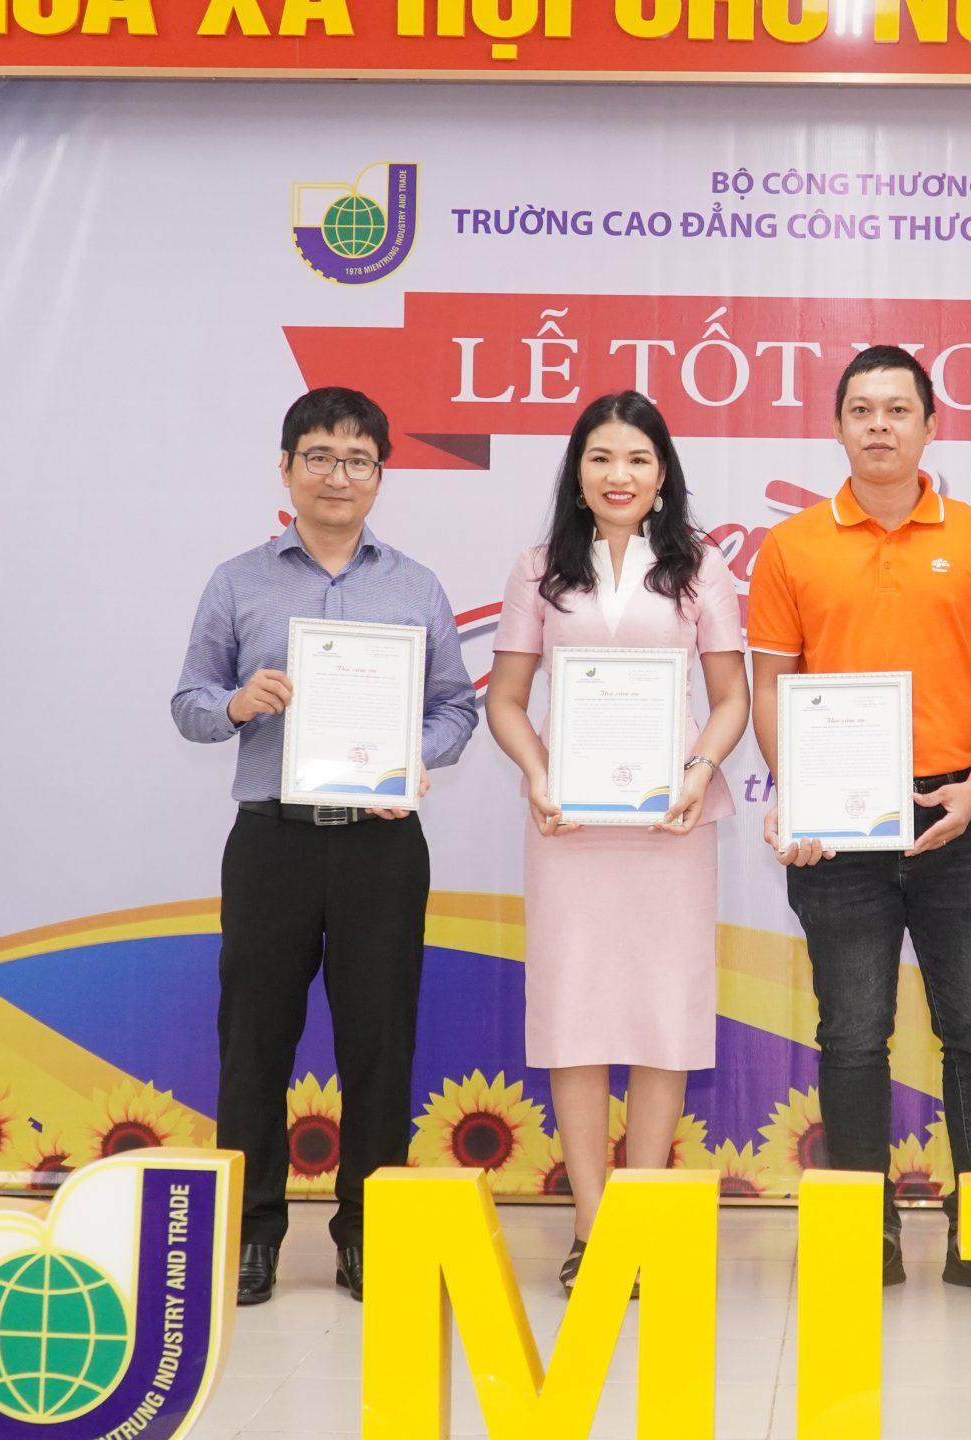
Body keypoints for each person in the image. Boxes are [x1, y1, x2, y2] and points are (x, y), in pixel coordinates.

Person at [170, 386, 480, 1306]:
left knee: (380, 1043)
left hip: (382, 845)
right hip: (272, 841)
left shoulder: (415, 586)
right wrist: (236, 704)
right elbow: (188, 702)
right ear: (286, 468)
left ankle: (369, 1234)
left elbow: (456, 708)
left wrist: (413, 759)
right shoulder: (239, 581)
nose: (337, 476)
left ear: (380, 475)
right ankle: (251, 1233)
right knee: (253, 1042)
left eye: (357, 460)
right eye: (319, 457)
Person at [748, 345, 971, 1303]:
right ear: (837, 426)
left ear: (930, 425)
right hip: (839, 828)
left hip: (957, 814)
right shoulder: (791, 546)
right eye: (862, 410)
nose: (880, 425)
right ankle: (862, 1231)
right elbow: (769, 686)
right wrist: (799, 793)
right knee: (852, 1033)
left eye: (898, 409)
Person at [484, 391, 750, 1293]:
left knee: (661, 1018)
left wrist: (699, 768)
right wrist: (537, 772)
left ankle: (639, 1217)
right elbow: (506, 700)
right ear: (578, 472)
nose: (619, 475)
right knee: (577, 1017)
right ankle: (592, 1227)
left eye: (637, 458)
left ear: (662, 472)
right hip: (571, 826)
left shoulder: (701, 569)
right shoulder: (537, 570)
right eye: (601, 458)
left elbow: (730, 699)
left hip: (670, 826)